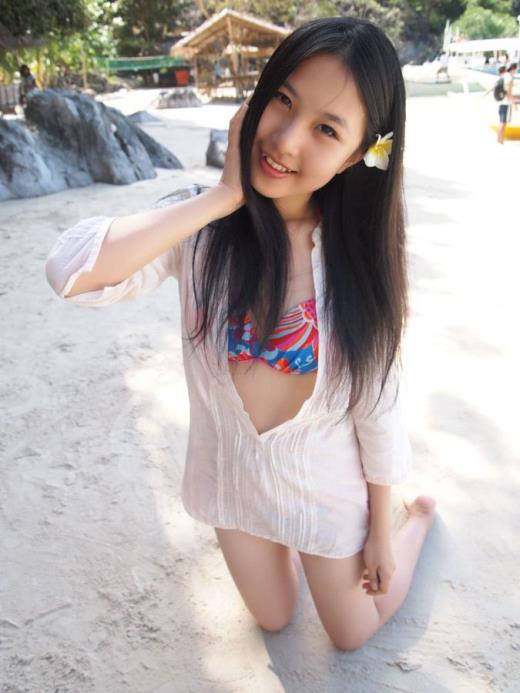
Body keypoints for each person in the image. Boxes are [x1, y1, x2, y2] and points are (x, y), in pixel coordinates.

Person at [45, 17, 436, 651]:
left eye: (326, 129)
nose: (284, 139)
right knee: (274, 617)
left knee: (350, 633)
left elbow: (378, 407)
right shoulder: (200, 228)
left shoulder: (360, 264)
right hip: (233, 486)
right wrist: (221, 198)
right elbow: (70, 272)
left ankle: (418, 520)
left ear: (357, 155)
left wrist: (384, 535)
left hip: (324, 494)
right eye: (282, 99)